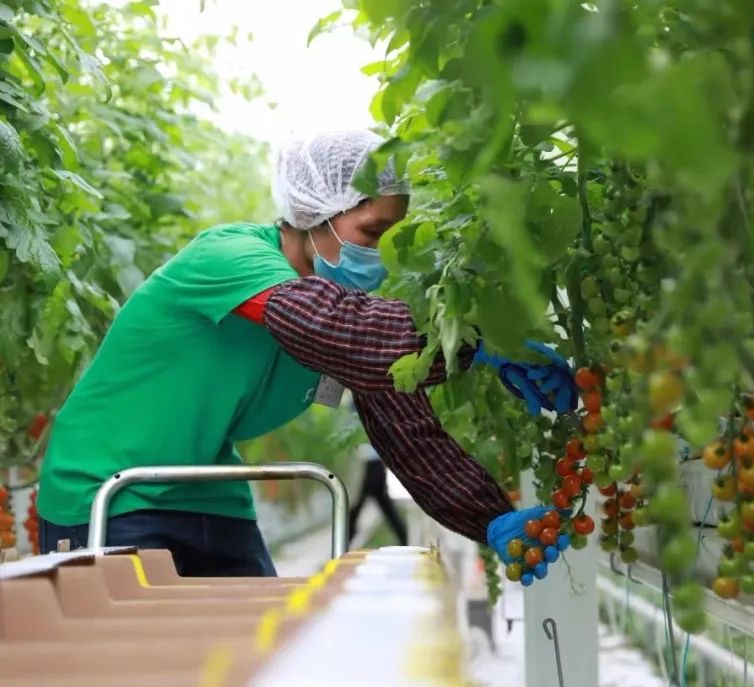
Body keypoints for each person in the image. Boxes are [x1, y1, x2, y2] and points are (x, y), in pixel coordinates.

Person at [36, 129, 575, 577]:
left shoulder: (347, 304)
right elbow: (329, 327)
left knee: (249, 670)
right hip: (108, 491)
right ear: (314, 212)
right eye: (371, 231)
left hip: (208, 493)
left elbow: (405, 427)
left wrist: (491, 518)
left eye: (393, 236)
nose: (381, 252)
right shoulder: (230, 257)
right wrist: (472, 338)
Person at [346, 434, 408, 547]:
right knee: (386, 510)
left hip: (372, 466)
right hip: (369, 465)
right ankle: (404, 537)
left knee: (356, 510)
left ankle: (347, 539)